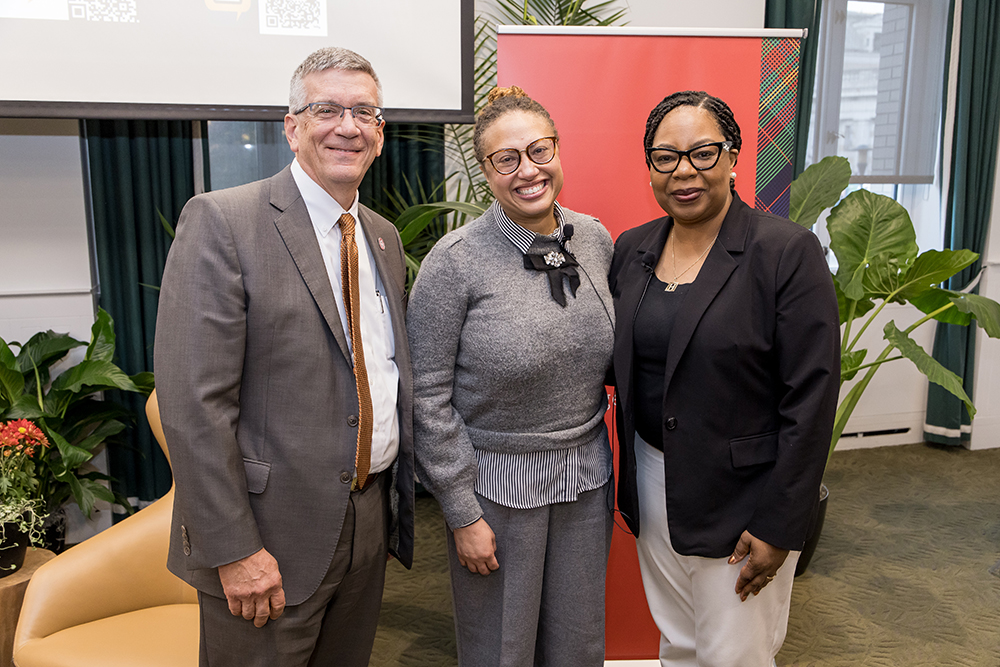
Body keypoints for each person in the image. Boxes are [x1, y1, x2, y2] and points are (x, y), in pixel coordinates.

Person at [154, 46, 414, 667]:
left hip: (366, 522)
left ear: (380, 135)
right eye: (327, 109)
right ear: (292, 127)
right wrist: (234, 549)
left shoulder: (382, 236)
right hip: (267, 538)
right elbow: (194, 406)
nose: (347, 127)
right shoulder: (223, 222)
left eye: (364, 113)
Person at [608, 90, 840, 667]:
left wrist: (781, 523)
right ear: (651, 168)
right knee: (679, 644)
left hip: (744, 503)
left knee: (734, 656)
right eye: (666, 157)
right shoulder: (633, 248)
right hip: (654, 481)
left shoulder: (784, 252)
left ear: (733, 157)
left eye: (703, 153)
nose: (684, 171)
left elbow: (810, 400)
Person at [407, 86, 616, 666]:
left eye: (540, 150)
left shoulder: (594, 239)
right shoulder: (454, 262)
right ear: (487, 172)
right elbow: (426, 396)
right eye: (507, 159)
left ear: (557, 150)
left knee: (576, 645)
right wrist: (461, 511)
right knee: (502, 649)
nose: (529, 170)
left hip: (584, 478)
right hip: (494, 489)